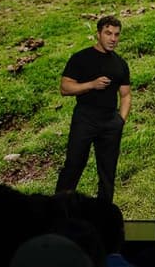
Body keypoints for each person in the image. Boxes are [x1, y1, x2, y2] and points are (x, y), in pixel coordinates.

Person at [56, 15, 132, 205]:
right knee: (74, 165)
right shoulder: (81, 58)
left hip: (110, 122)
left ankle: (104, 215)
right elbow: (65, 88)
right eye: (108, 33)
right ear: (98, 34)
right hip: (85, 118)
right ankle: (57, 209)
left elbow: (126, 94)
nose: (113, 38)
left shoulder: (120, 63)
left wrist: (120, 120)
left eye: (116, 34)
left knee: (108, 171)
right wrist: (91, 84)